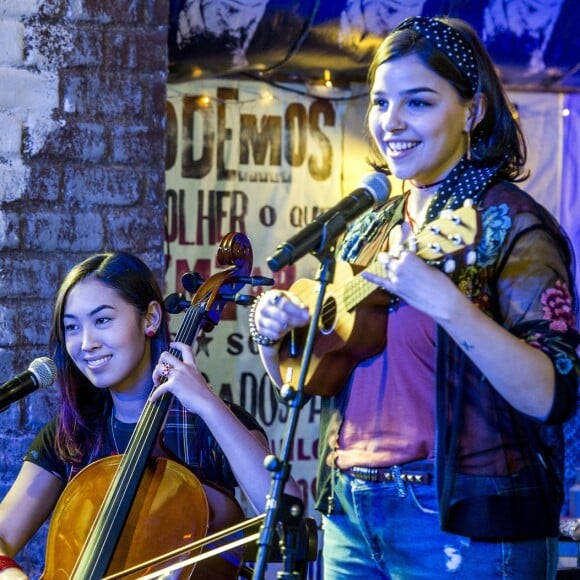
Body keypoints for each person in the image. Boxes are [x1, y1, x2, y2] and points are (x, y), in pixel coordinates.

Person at [250, 15, 580, 579]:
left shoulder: (507, 223)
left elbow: (554, 392)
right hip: (351, 512)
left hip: (460, 525)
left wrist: (448, 304)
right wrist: (274, 334)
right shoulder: (367, 229)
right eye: (380, 103)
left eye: (418, 103)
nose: (390, 122)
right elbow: (309, 381)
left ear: (472, 111)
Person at [0, 251, 299, 579]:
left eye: (102, 320)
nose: (86, 343)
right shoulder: (72, 434)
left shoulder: (203, 424)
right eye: (71, 327)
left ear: (151, 318)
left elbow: (289, 513)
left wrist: (207, 403)